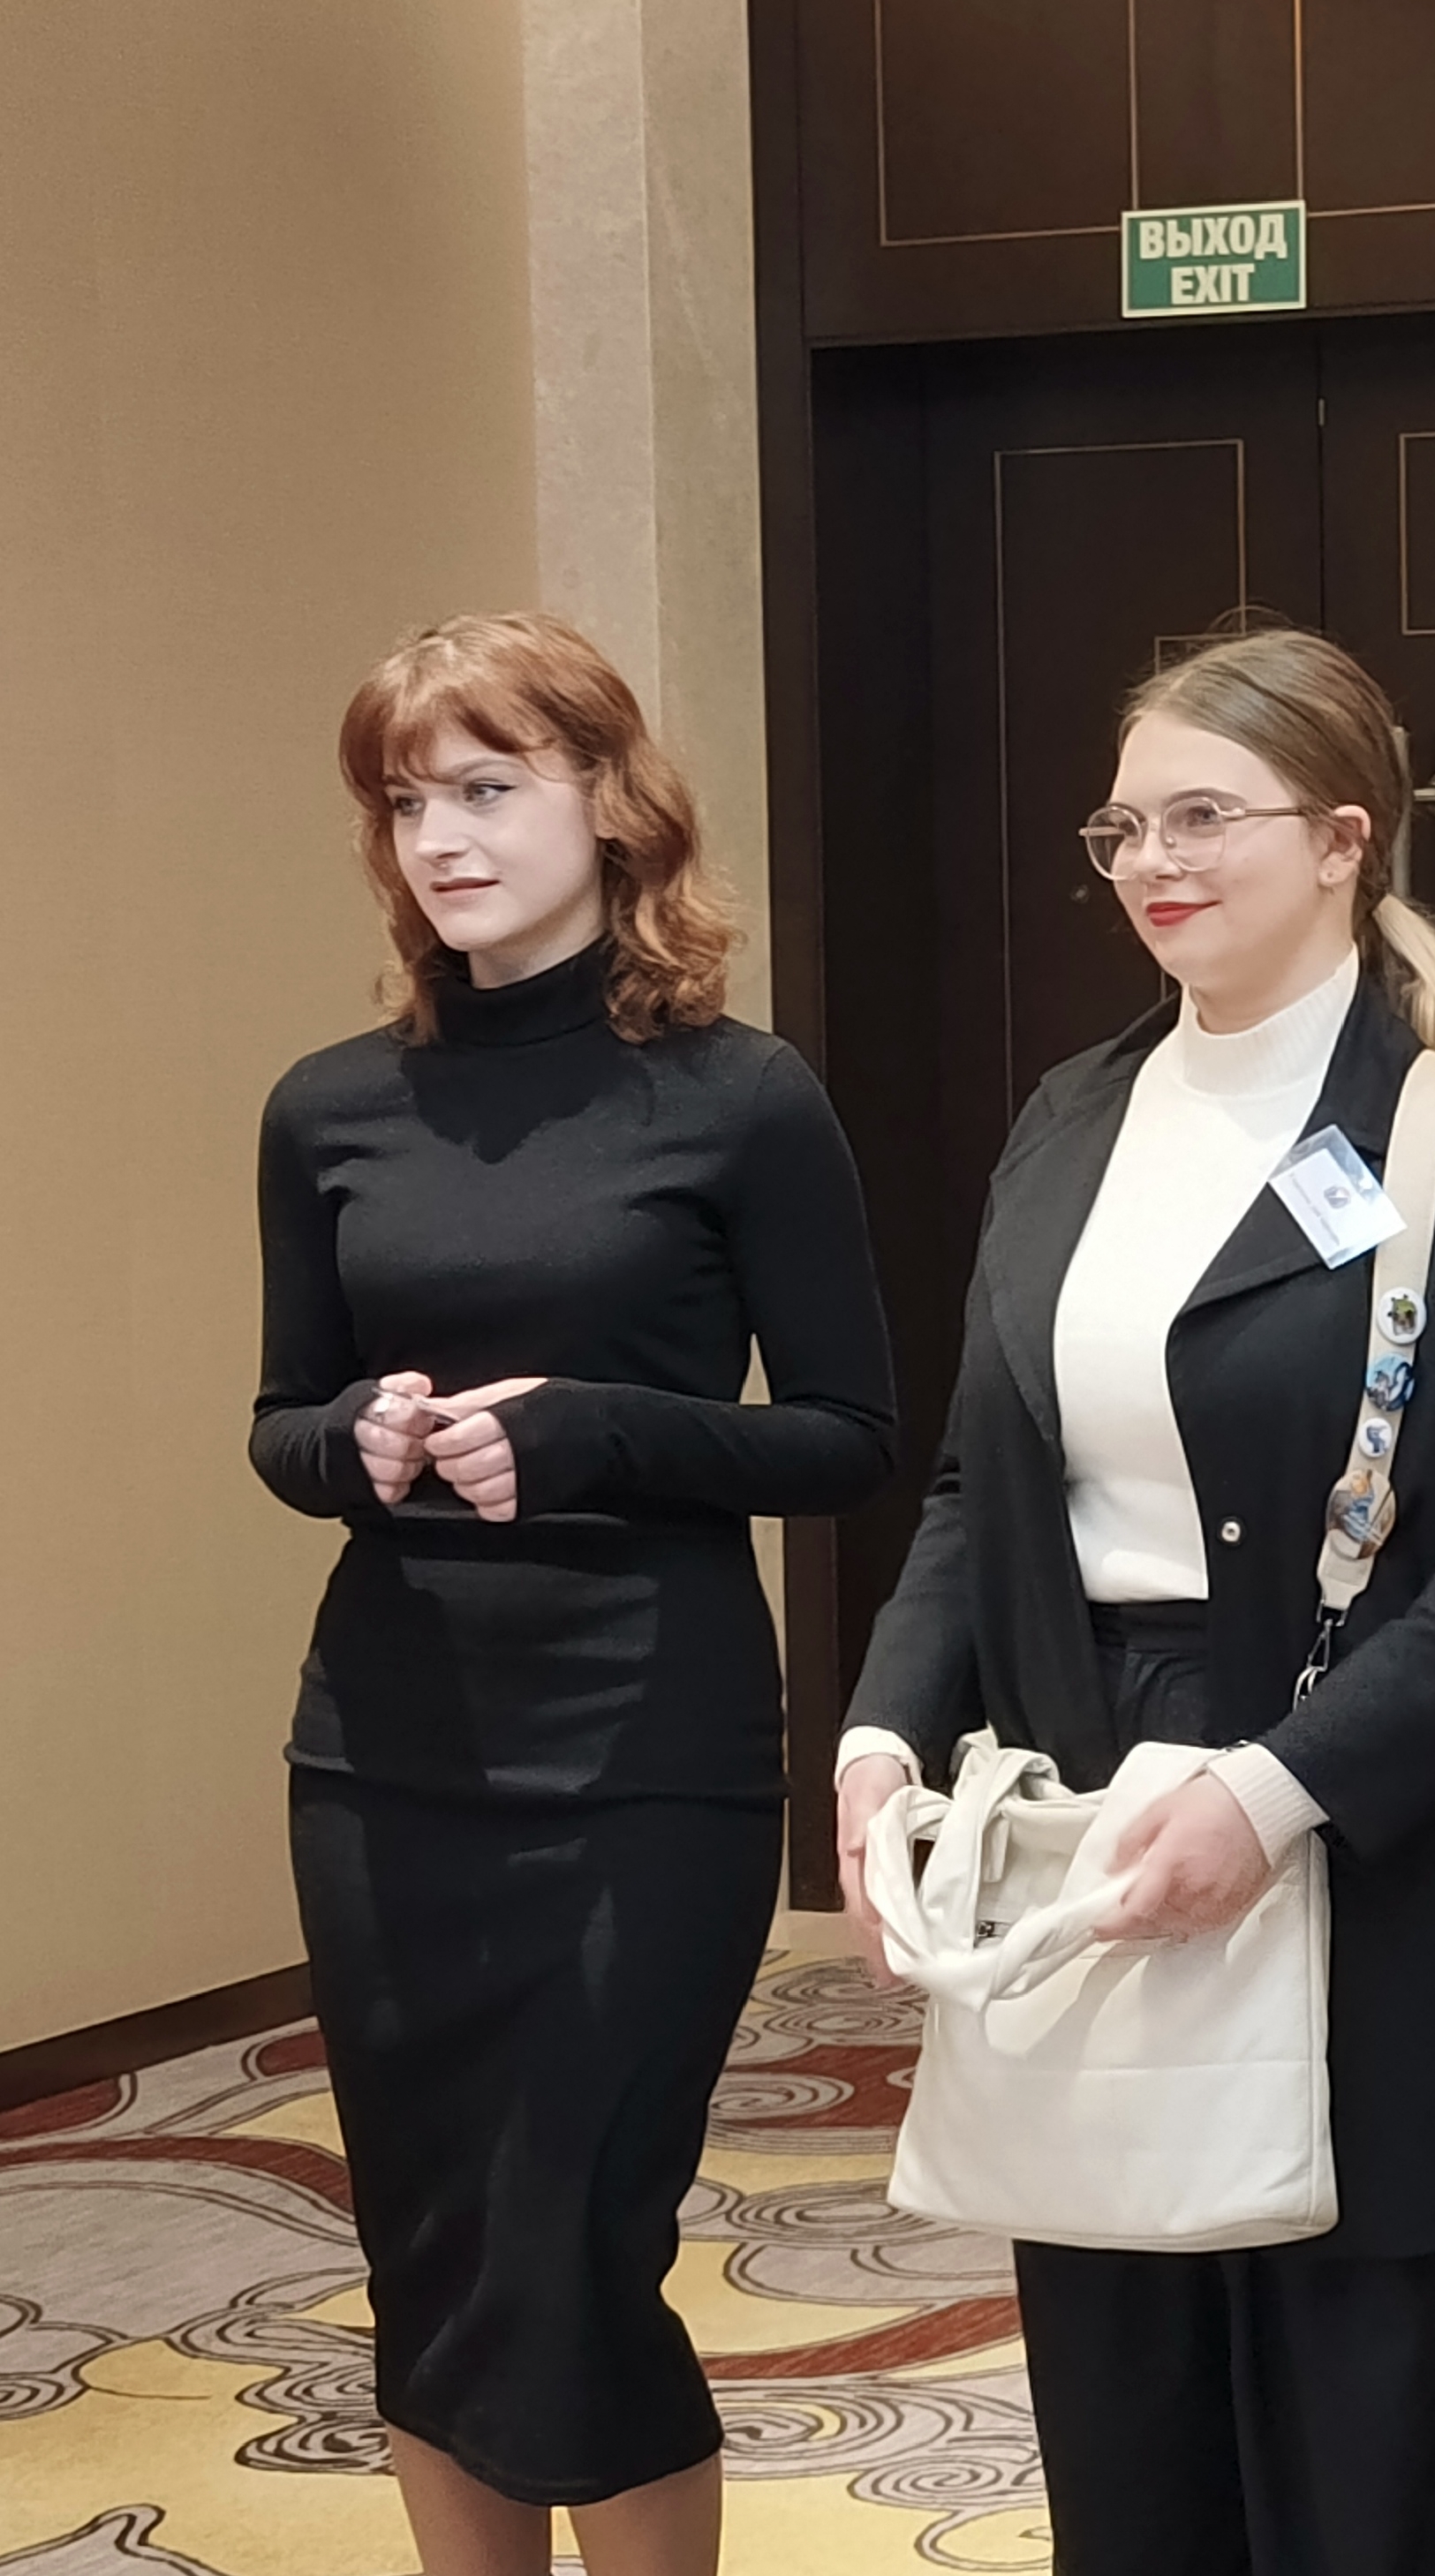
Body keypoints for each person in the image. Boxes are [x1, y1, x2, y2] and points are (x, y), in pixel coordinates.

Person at [828, 627, 1435, 2576]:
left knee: (1370, 2439)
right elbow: (977, 1486)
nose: (1155, 862)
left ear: (1344, 840)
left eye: (1204, 817)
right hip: (1084, 1797)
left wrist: (1270, 1796)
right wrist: (880, 1739)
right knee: (1128, 2414)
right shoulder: (1068, 1119)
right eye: (1123, 827)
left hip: (1358, 1805)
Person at [249, 614, 899, 2576]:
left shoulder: (740, 1095)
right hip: (387, 1754)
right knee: (430, 2242)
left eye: (485, 786)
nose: (439, 837)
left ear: (609, 801)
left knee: (576, 2243)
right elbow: (281, 1421)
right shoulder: (328, 1106)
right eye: (404, 802)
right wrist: (352, 1436)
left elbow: (851, 1435)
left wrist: (603, 1431)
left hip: (642, 1747)